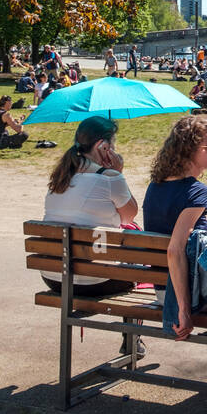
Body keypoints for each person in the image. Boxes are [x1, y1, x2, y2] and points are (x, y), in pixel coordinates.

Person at [144, 116, 207, 369]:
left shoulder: (154, 186)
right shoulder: (197, 192)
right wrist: (184, 311)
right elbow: (175, 251)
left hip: (158, 289)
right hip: (182, 295)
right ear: (188, 150)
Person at [43, 117, 139, 296]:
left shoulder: (61, 176)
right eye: (113, 145)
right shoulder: (110, 177)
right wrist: (119, 174)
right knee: (138, 257)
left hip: (54, 278)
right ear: (102, 146)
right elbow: (129, 216)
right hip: (96, 280)